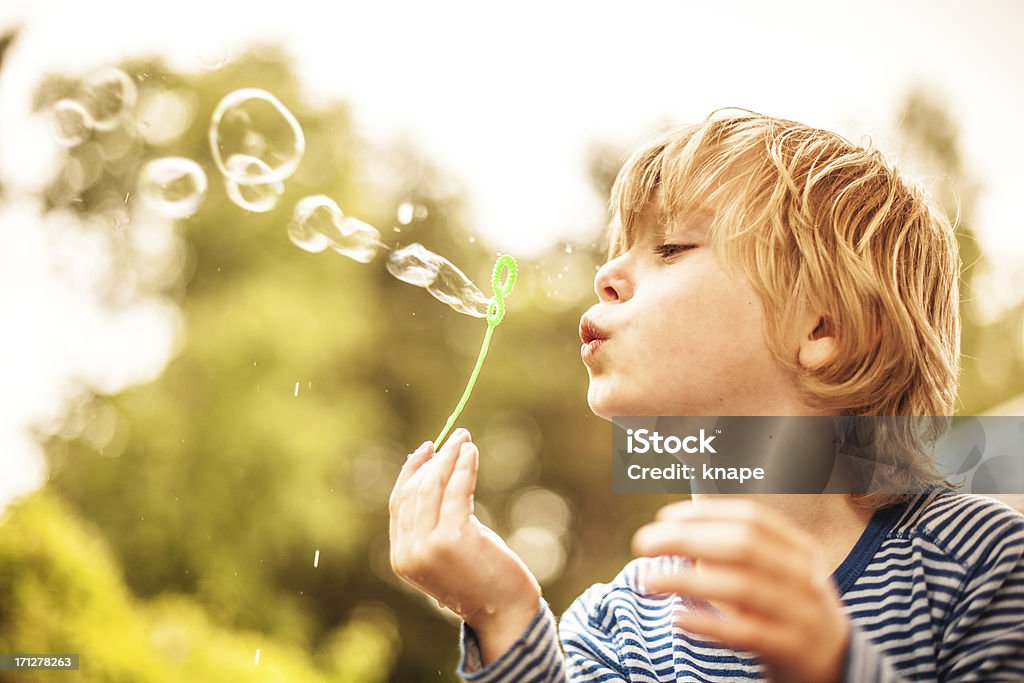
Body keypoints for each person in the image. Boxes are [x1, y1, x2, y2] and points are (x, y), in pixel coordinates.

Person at [388, 111, 1024, 681]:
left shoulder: (980, 566)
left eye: (670, 247)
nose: (605, 276)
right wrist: (504, 614)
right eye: (618, 252)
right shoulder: (619, 629)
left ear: (821, 327)